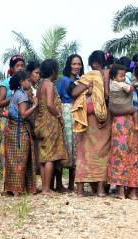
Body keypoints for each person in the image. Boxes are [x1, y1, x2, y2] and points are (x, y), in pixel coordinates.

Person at [71, 50, 111, 197]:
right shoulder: (112, 74)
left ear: (94, 63)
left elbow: (75, 92)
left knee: (84, 153)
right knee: (103, 153)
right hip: (106, 116)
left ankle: (80, 190)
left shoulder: (91, 75)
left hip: (89, 118)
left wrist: (88, 89)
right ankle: (100, 189)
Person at [107, 64, 138, 200]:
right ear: (114, 76)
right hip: (125, 123)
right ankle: (128, 191)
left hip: (122, 123)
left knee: (122, 155)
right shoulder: (118, 86)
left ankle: (125, 191)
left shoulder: (113, 85)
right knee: (127, 155)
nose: (122, 78)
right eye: (120, 76)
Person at [34, 59, 68, 195]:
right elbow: (49, 104)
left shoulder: (40, 85)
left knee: (43, 156)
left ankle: (45, 187)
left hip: (40, 122)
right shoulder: (49, 85)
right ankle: (47, 189)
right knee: (50, 156)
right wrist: (59, 116)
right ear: (53, 71)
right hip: (50, 122)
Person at [3, 70, 38, 196]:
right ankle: (19, 190)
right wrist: (35, 106)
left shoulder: (15, 94)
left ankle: (12, 189)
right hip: (20, 131)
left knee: (13, 160)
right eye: (28, 80)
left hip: (12, 131)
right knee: (21, 161)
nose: (30, 82)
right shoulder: (22, 96)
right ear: (21, 82)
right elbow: (23, 115)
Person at [56, 54, 84, 192]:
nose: (77, 67)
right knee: (65, 146)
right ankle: (59, 184)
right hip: (66, 113)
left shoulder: (82, 81)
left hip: (78, 114)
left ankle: (73, 185)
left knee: (76, 148)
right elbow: (57, 98)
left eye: (79, 64)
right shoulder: (63, 80)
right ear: (69, 65)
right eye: (74, 64)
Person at [0, 55, 26, 186]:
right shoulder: (6, 83)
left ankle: (21, 181)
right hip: (7, 120)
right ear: (12, 68)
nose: (20, 68)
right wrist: (14, 97)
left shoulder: (25, 82)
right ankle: (6, 180)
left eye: (22, 65)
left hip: (22, 119)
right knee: (6, 149)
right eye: (17, 66)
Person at [108, 64, 138, 132]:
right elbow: (130, 89)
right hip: (123, 109)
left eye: (124, 76)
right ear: (114, 77)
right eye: (121, 76)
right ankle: (136, 125)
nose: (124, 78)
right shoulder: (122, 84)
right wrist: (133, 86)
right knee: (135, 110)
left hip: (113, 109)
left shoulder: (111, 83)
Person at [25, 60, 42, 178]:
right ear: (29, 73)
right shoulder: (27, 89)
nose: (38, 76)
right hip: (28, 122)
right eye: (36, 73)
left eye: (39, 73)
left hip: (35, 123)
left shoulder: (36, 88)